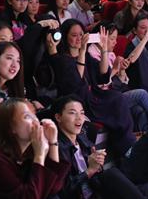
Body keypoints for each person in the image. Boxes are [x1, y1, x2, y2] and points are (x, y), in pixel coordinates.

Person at [53, 95, 148, 199]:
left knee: (111, 173)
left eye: (82, 113)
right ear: (58, 117)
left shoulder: (82, 138)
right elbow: (63, 191)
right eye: (72, 113)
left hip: (97, 195)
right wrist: (89, 171)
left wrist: (98, 165)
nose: (79, 118)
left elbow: (98, 174)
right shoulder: (56, 148)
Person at [48, 19, 135, 156]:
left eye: (81, 34)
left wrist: (104, 49)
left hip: (94, 95)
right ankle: (124, 147)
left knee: (118, 98)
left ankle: (127, 144)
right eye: (74, 35)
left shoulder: (87, 55)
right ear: (65, 37)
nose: (78, 38)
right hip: (78, 99)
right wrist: (82, 50)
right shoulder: (62, 59)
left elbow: (103, 76)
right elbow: (76, 82)